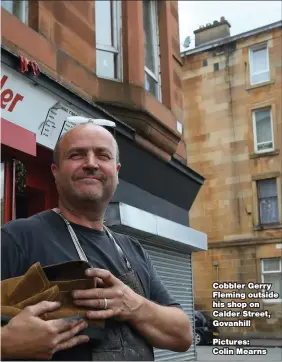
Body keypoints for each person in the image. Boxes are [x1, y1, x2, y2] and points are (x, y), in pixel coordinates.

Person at [1, 121, 193, 361]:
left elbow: (183, 335)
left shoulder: (133, 249)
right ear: (55, 171)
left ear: (117, 171)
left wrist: (133, 306)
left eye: (102, 155)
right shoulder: (16, 239)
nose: (91, 163)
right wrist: (5, 344)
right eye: (77, 155)